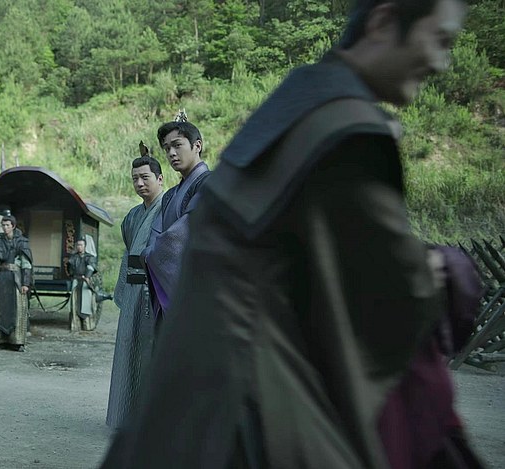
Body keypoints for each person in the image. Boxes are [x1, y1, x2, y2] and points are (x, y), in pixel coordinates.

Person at [101, 1, 472, 467]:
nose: (441, 62)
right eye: (439, 39)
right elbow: (391, 294)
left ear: (196, 146)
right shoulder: (347, 130)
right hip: (262, 406)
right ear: (382, 21)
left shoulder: (299, 97)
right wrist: (451, 270)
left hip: (199, 386)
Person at [106, 150, 164, 430]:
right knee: (129, 351)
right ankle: (126, 414)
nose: (139, 183)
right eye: (135, 179)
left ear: (160, 179)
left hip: (156, 293)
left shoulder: (169, 210)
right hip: (133, 291)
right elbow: (128, 252)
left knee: (151, 352)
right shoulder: (131, 217)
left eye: (145, 177)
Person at [142, 119, 209, 334]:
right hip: (170, 286)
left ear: (197, 145)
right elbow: (156, 234)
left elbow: (182, 233)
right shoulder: (170, 195)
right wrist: (150, 251)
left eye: (177, 145)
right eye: (166, 148)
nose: (171, 153)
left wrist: (153, 253)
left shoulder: (209, 184)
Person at [0, 215, 33, 352]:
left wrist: (25, 283)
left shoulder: (22, 242)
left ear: (13, 226)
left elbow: (26, 265)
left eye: (7, 225)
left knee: (17, 309)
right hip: (0, 279)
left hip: (15, 279)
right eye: (3, 225)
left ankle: (17, 341)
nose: (5, 227)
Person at [67, 238, 99, 331]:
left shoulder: (89, 257)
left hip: (85, 282)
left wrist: (87, 277)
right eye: (78, 245)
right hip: (76, 281)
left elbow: (91, 267)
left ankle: (88, 326)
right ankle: (75, 325)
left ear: (85, 246)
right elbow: (70, 269)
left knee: (86, 305)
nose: (79, 247)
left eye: (81, 245)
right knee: (75, 304)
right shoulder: (73, 257)